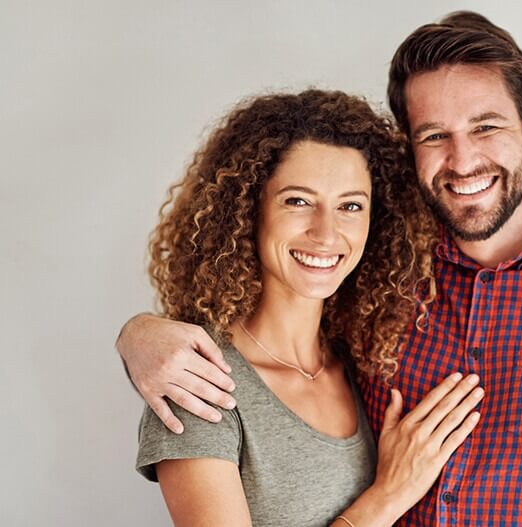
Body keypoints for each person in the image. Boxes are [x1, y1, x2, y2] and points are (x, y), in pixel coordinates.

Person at [121, 12, 522, 526]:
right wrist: (138, 335)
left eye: (486, 126)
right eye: (433, 135)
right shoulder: (376, 288)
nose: (463, 159)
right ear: (407, 148)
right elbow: (268, 333)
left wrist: (137, 336)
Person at [134, 89, 487, 527]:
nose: (326, 233)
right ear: (249, 210)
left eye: (351, 206)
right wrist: (389, 495)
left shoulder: (361, 362)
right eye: (298, 201)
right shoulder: (199, 385)